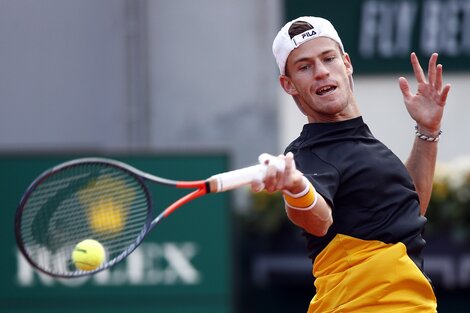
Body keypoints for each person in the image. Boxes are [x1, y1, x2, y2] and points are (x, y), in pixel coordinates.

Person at [252, 16, 451, 312]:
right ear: (289, 85)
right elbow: (317, 220)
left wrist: (427, 131)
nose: (320, 72)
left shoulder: (365, 145)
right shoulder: (309, 152)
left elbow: (410, 209)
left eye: (328, 59)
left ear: (346, 63)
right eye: (305, 67)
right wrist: (296, 187)